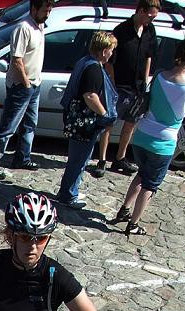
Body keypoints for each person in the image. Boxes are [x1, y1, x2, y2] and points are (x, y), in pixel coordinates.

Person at [110, 38, 185, 236]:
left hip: (142, 135)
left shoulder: (159, 75)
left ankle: (124, 209)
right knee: (150, 185)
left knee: (141, 174)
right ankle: (133, 223)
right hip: (163, 142)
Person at [91, 0, 160, 178]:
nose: (152, 20)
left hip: (138, 87)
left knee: (131, 123)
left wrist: (145, 81)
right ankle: (102, 159)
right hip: (119, 86)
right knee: (108, 122)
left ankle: (120, 157)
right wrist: (113, 86)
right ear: (141, 11)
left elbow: (149, 56)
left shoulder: (150, 31)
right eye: (150, 16)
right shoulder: (121, 31)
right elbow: (110, 62)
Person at [0, 0, 53, 182]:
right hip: (21, 86)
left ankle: (22, 157)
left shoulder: (40, 26)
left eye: (49, 11)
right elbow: (17, 59)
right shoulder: (23, 28)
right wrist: (26, 83)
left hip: (34, 84)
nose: (47, 15)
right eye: (45, 11)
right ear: (34, 9)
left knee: (30, 124)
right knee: (8, 127)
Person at [56, 31, 118, 209]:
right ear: (104, 50)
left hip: (77, 120)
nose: (112, 53)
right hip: (85, 123)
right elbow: (90, 96)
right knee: (79, 160)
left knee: (76, 158)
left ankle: (69, 190)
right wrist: (104, 113)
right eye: (111, 49)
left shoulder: (84, 61)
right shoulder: (93, 68)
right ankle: (69, 195)